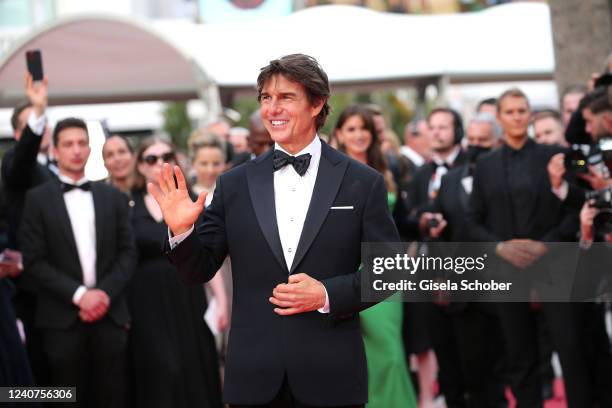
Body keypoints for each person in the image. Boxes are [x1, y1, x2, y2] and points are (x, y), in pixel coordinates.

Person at [150, 54, 399, 408]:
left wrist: (327, 294)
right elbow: (196, 271)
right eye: (266, 98)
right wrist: (181, 231)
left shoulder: (362, 182)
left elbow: (389, 272)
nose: (272, 108)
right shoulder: (234, 184)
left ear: (317, 104)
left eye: (286, 97)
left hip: (332, 375)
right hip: (254, 377)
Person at [467, 88, 612, 408]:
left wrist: (544, 245)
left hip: (555, 263)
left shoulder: (553, 156)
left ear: (530, 115)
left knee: (570, 347)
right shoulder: (487, 165)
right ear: (500, 118)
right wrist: (500, 247)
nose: (517, 117)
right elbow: (473, 219)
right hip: (506, 267)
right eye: (510, 112)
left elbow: (574, 208)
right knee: (519, 353)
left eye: (522, 110)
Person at [20, 117, 136, 407]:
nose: (76, 150)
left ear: (89, 149)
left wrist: (102, 295)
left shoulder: (113, 197)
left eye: (82, 143)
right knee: (66, 397)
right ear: (56, 151)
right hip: (60, 321)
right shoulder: (36, 199)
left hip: (110, 317)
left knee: (114, 396)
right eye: (68, 144)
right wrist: (81, 295)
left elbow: (128, 253)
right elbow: (33, 261)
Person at [128, 137, 222, 408]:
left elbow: (206, 255)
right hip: (145, 299)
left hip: (188, 292)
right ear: (140, 166)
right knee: (161, 365)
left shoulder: (192, 202)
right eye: (151, 158)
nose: (159, 163)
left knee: (194, 360)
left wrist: (221, 300)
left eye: (166, 155)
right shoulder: (127, 205)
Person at [334, 105, 417, 408]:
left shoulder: (388, 168)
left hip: (386, 272)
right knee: (361, 354)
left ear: (373, 133)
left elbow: (402, 223)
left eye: (363, 128)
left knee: (391, 352)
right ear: (339, 133)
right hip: (347, 270)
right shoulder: (332, 174)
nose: (358, 135)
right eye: (351, 129)